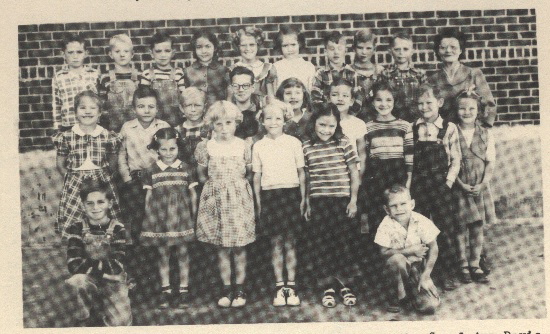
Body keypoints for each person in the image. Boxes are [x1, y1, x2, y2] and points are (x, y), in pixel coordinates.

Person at [195, 101, 256, 308]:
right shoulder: (206, 147)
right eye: (218, 124)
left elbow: (248, 173)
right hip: (216, 199)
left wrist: (235, 188)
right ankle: (226, 288)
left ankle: (240, 288)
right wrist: (216, 191)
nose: (223, 129)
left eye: (228, 123)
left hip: (239, 199)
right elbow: (201, 175)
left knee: (239, 246)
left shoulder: (243, 145)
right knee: (221, 247)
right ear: (211, 125)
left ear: (236, 123)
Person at [302, 103, 360, 308]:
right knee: (322, 245)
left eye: (331, 126)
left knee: (342, 244)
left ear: (337, 126)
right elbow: (307, 177)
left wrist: (353, 200)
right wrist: (307, 202)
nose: (326, 130)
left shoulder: (343, 142)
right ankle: (326, 286)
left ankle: (345, 285)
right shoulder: (307, 145)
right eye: (322, 125)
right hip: (319, 202)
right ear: (314, 123)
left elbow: (354, 172)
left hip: (342, 201)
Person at [252, 102, 306, 307]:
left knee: (290, 242)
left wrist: (303, 198)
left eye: (278, 118)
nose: (273, 122)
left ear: (285, 120)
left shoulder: (293, 142)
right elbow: (256, 177)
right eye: (268, 118)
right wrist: (258, 203)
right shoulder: (258, 145)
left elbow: (301, 173)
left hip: (291, 194)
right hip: (270, 196)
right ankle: (279, 286)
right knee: (275, 243)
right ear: (262, 121)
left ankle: (291, 286)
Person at [410, 84, 461, 291]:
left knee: (443, 228)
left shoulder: (449, 128)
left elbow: (456, 159)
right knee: (420, 228)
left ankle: (446, 272)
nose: (424, 107)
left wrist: (448, 183)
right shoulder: (414, 127)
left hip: (441, 186)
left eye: (429, 102)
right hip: (419, 186)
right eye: (420, 103)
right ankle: (422, 272)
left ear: (439, 103)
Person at [141, 128, 198, 309]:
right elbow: (148, 199)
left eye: (172, 149)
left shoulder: (187, 168)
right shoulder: (151, 170)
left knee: (183, 253)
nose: (168, 153)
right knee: (163, 253)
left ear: (178, 148)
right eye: (163, 149)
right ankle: (165, 291)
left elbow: (193, 195)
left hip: (181, 218)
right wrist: (149, 219)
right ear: (157, 149)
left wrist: (193, 216)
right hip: (161, 219)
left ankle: (183, 290)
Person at [52, 91, 122, 236]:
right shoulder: (67, 136)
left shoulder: (107, 135)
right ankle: (76, 245)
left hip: (101, 180)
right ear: (75, 112)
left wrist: (105, 177)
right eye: (82, 108)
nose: (87, 111)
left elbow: (113, 163)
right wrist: (72, 178)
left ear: (100, 112)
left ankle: (104, 245)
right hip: (76, 181)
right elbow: (60, 164)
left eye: (92, 108)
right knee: (77, 215)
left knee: (101, 213)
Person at [65, 178, 131, 327]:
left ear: (110, 203)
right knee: (76, 281)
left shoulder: (118, 229)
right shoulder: (76, 228)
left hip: (113, 280)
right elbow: (73, 264)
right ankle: (83, 317)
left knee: (120, 323)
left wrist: (91, 267)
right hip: (90, 278)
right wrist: (100, 272)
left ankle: (104, 306)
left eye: (101, 202)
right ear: (83, 206)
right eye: (90, 203)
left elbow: (118, 264)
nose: (95, 208)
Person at [356, 81, 413, 236]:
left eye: (388, 100)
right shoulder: (367, 127)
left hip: (397, 171)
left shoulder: (404, 126)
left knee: (398, 210)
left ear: (395, 101)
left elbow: (409, 156)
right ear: (372, 102)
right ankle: (380, 253)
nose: (383, 104)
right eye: (379, 100)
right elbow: (365, 154)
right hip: (376, 173)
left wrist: (408, 180)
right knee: (377, 212)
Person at [453, 89, 497, 284]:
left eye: (471, 108)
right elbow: (447, 162)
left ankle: (475, 263)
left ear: (478, 110)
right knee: (460, 227)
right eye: (462, 108)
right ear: (456, 111)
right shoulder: (451, 131)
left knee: (477, 226)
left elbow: (490, 162)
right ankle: (462, 264)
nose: (466, 112)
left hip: (479, 186)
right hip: (459, 185)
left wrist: (483, 183)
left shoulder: (486, 134)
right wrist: (460, 184)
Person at [374, 184, 440, 314]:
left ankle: (414, 291)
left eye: (403, 204)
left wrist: (426, 275)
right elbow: (383, 252)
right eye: (394, 206)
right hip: (396, 271)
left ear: (412, 204)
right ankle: (399, 296)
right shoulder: (386, 225)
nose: (399, 209)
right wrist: (410, 250)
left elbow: (434, 248)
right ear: (387, 209)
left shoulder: (421, 220)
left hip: (417, 269)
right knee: (397, 259)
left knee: (430, 306)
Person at [118, 86, 170, 245]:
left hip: (159, 179)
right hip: (136, 179)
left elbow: (170, 153)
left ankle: (159, 257)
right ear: (134, 108)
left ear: (157, 108)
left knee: (159, 217)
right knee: (138, 218)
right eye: (141, 106)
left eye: (151, 107)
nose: (146, 111)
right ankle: (139, 255)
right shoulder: (127, 127)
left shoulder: (163, 126)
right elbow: (121, 155)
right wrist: (127, 178)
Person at [427, 28, 497, 127]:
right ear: (438, 51)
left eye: (453, 47)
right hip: (443, 132)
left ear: (460, 50)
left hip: (471, 131)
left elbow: (489, 106)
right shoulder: (432, 79)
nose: (448, 51)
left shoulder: (474, 74)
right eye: (443, 47)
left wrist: (481, 129)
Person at [52, 33, 99, 132]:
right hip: (69, 125)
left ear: (86, 53)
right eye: (70, 52)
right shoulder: (59, 77)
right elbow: (56, 105)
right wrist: (57, 129)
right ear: (63, 54)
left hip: (92, 124)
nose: (75, 56)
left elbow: (100, 102)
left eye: (79, 52)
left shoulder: (94, 74)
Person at [139, 31, 185, 127]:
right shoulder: (147, 74)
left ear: (173, 53)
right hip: (154, 121)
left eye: (167, 51)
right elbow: (143, 99)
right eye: (158, 51)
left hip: (175, 120)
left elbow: (183, 98)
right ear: (151, 53)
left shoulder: (178, 73)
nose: (163, 55)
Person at [379, 32, 427, 123]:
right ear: (390, 51)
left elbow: (425, 97)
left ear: (412, 51)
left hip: (415, 119)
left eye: (405, 49)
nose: (401, 53)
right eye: (397, 49)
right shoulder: (386, 74)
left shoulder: (419, 74)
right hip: (393, 120)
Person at [98, 34, 139, 132]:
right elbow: (101, 104)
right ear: (110, 54)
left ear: (132, 54)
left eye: (126, 51)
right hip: (113, 127)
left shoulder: (140, 76)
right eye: (117, 51)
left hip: (136, 128)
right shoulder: (105, 78)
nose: (122, 54)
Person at [230, 26, 277, 104]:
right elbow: (230, 99)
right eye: (243, 45)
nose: (248, 49)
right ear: (238, 47)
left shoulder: (268, 68)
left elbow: (271, 98)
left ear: (257, 45)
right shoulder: (232, 69)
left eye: (252, 44)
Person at [184, 30, 231, 107]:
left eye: (207, 46)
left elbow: (229, 95)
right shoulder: (188, 71)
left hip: (218, 114)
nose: (204, 51)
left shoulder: (223, 70)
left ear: (215, 48)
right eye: (199, 47)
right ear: (194, 49)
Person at [311, 31, 356, 103]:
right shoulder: (320, 74)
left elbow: (357, 96)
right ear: (325, 52)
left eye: (339, 48)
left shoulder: (352, 73)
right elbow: (315, 96)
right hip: (327, 111)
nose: (336, 52)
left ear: (345, 51)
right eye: (332, 49)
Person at [350, 29, 384, 122]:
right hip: (354, 119)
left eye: (368, 48)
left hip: (377, 120)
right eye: (360, 47)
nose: (364, 52)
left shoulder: (380, 71)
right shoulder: (348, 71)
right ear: (353, 48)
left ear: (374, 49)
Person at [273, 25, 316, 92]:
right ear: (280, 47)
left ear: (300, 44)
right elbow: (274, 92)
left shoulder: (308, 66)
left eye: (293, 45)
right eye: (285, 46)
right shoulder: (276, 67)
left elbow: (310, 91)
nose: (290, 49)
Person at [275, 77, 314, 142]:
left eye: (297, 93)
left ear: (304, 96)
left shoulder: (311, 116)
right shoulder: (278, 119)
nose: (293, 97)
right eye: (288, 93)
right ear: (281, 96)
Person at [230, 66, 261, 140]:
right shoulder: (226, 113)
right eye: (236, 86)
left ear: (252, 88)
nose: (240, 89)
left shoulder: (260, 113)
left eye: (246, 85)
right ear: (231, 88)